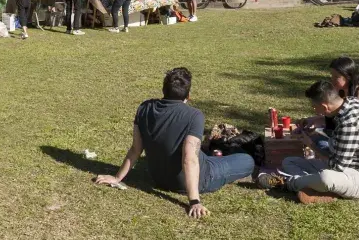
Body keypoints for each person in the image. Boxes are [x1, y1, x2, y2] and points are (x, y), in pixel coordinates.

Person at [94, 68, 255, 219]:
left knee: (208, 155)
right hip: (199, 179)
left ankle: (214, 157)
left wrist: (117, 177)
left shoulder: (144, 107)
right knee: (247, 160)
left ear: (164, 90)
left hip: (159, 178)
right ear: (188, 95)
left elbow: (136, 149)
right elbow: (189, 158)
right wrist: (194, 201)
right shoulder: (194, 115)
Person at [259, 80, 359, 204]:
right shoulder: (351, 102)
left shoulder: (350, 124)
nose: (314, 110)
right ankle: (313, 187)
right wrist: (315, 130)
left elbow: (336, 167)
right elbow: (338, 142)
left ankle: (286, 183)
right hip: (349, 166)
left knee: (326, 177)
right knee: (289, 161)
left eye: (314, 107)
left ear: (325, 106)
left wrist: (311, 145)